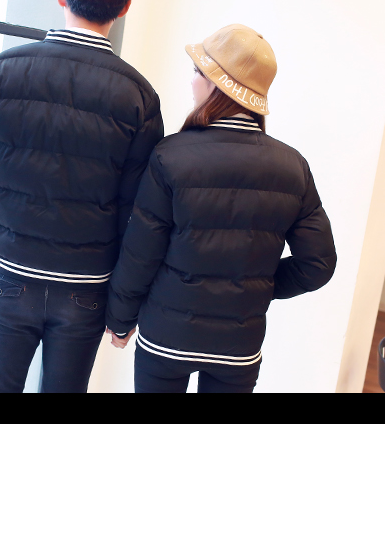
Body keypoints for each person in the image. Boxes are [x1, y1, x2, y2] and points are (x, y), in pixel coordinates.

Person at [0, 0, 162, 394]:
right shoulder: (138, 96)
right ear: (124, 7)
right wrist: (125, 307)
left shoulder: (5, 69)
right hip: (87, 286)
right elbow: (137, 213)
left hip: (13, 271)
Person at [105, 22, 336, 392]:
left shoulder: (170, 155)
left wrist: (120, 319)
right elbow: (318, 265)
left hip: (167, 339)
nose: (192, 81)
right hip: (238, 347)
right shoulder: (293, 166)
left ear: (217, 84)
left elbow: (141, 254)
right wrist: (256, 286)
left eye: (198, 72)